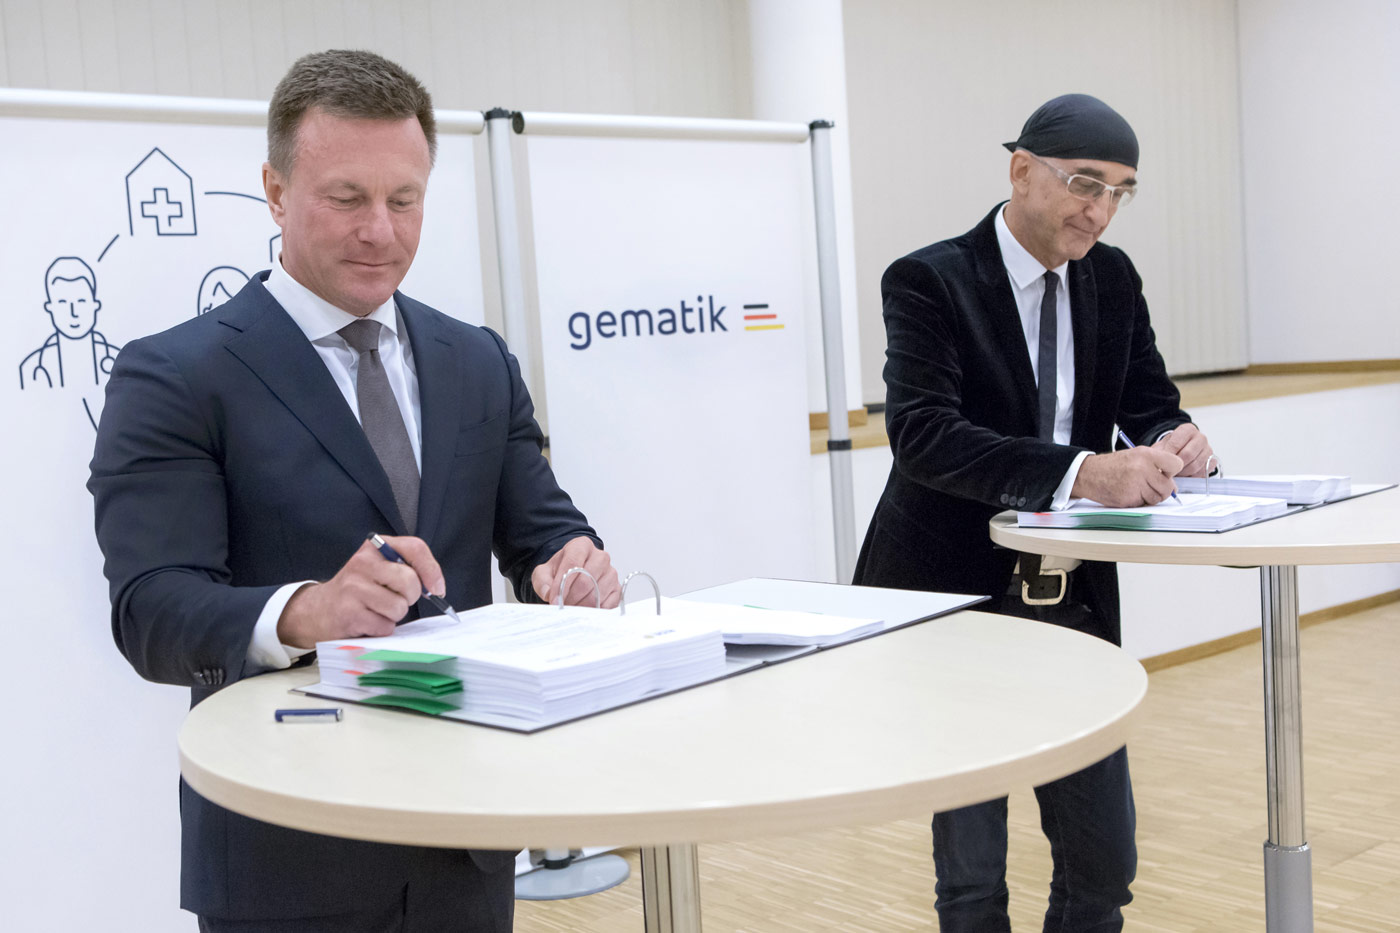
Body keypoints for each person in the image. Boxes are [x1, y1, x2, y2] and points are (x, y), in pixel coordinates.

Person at [89, 49, 619, 932]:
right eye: (346, 198)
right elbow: (151, 611)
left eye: (404, 200)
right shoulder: (176, 376)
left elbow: (542, 530)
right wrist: (307, 611)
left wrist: (571, 566)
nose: (380, 230)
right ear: (274, 190)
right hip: (291, 852)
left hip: (465, 835)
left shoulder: (476, 360)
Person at [853, 93, 1215, 932]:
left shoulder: (1112, 278)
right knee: (973, 878)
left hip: (1073, 598)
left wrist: (1179, 437)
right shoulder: (930, 279)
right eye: (1086, 183)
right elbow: (925, 436)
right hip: (955, 602)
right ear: (1021, 171)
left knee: (1104, 866)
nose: (1101, 210)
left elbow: (1149, 402)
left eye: (1120, 191)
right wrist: (1085, 473)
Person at [20, 255, 120, 389]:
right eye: (63, 302)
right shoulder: (32, 368)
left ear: (95, 305)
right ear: (49, 307)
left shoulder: (119, 360)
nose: (73, 312)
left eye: (81, 301)